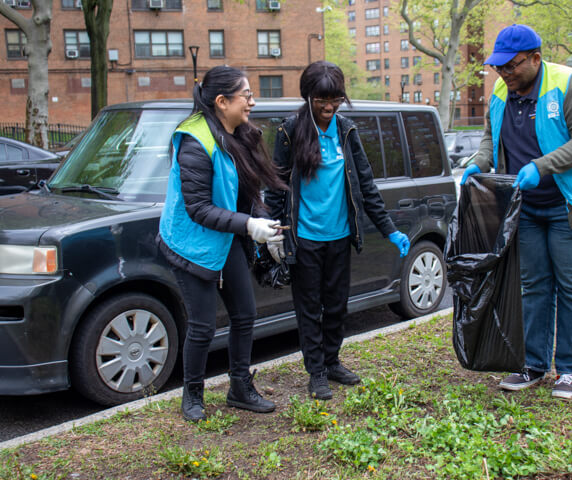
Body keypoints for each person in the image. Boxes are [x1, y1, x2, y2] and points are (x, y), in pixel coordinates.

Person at [461, 24, 572, 399]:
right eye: (499, 68)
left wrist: (541, 166)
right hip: (526, 206)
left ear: (535, 59)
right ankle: (533, 364)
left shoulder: (568, 85)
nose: (505, 74)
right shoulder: (500, 90)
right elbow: (490, 137)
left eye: (512, 67)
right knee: (534, 286)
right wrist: (480, 162)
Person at [265, 61, 410, 400]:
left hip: (340, 236)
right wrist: (275, 232)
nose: (328, 107)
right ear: (308, 96)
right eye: (321, 100)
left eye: (335, 99)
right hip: (305, 239)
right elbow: (276, 187)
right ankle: (315, 372)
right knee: (308, 308)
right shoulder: (289, 130)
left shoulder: (346, 130)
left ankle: (332, 361)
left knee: (337, 306)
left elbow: (366, 185)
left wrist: (389, 230)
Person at [158, 66, 287, 422]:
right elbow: (198, 208)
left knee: (245, 313)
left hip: (225, 236)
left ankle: (239, 389)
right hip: (190, 243)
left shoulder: (239, 134)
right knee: (202, 326)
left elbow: (245, 193)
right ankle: (193, 396)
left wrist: (265, 227)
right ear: (221, 101)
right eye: (245, 95)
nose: (252, 102)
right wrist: (249, 226)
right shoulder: (195, 141)